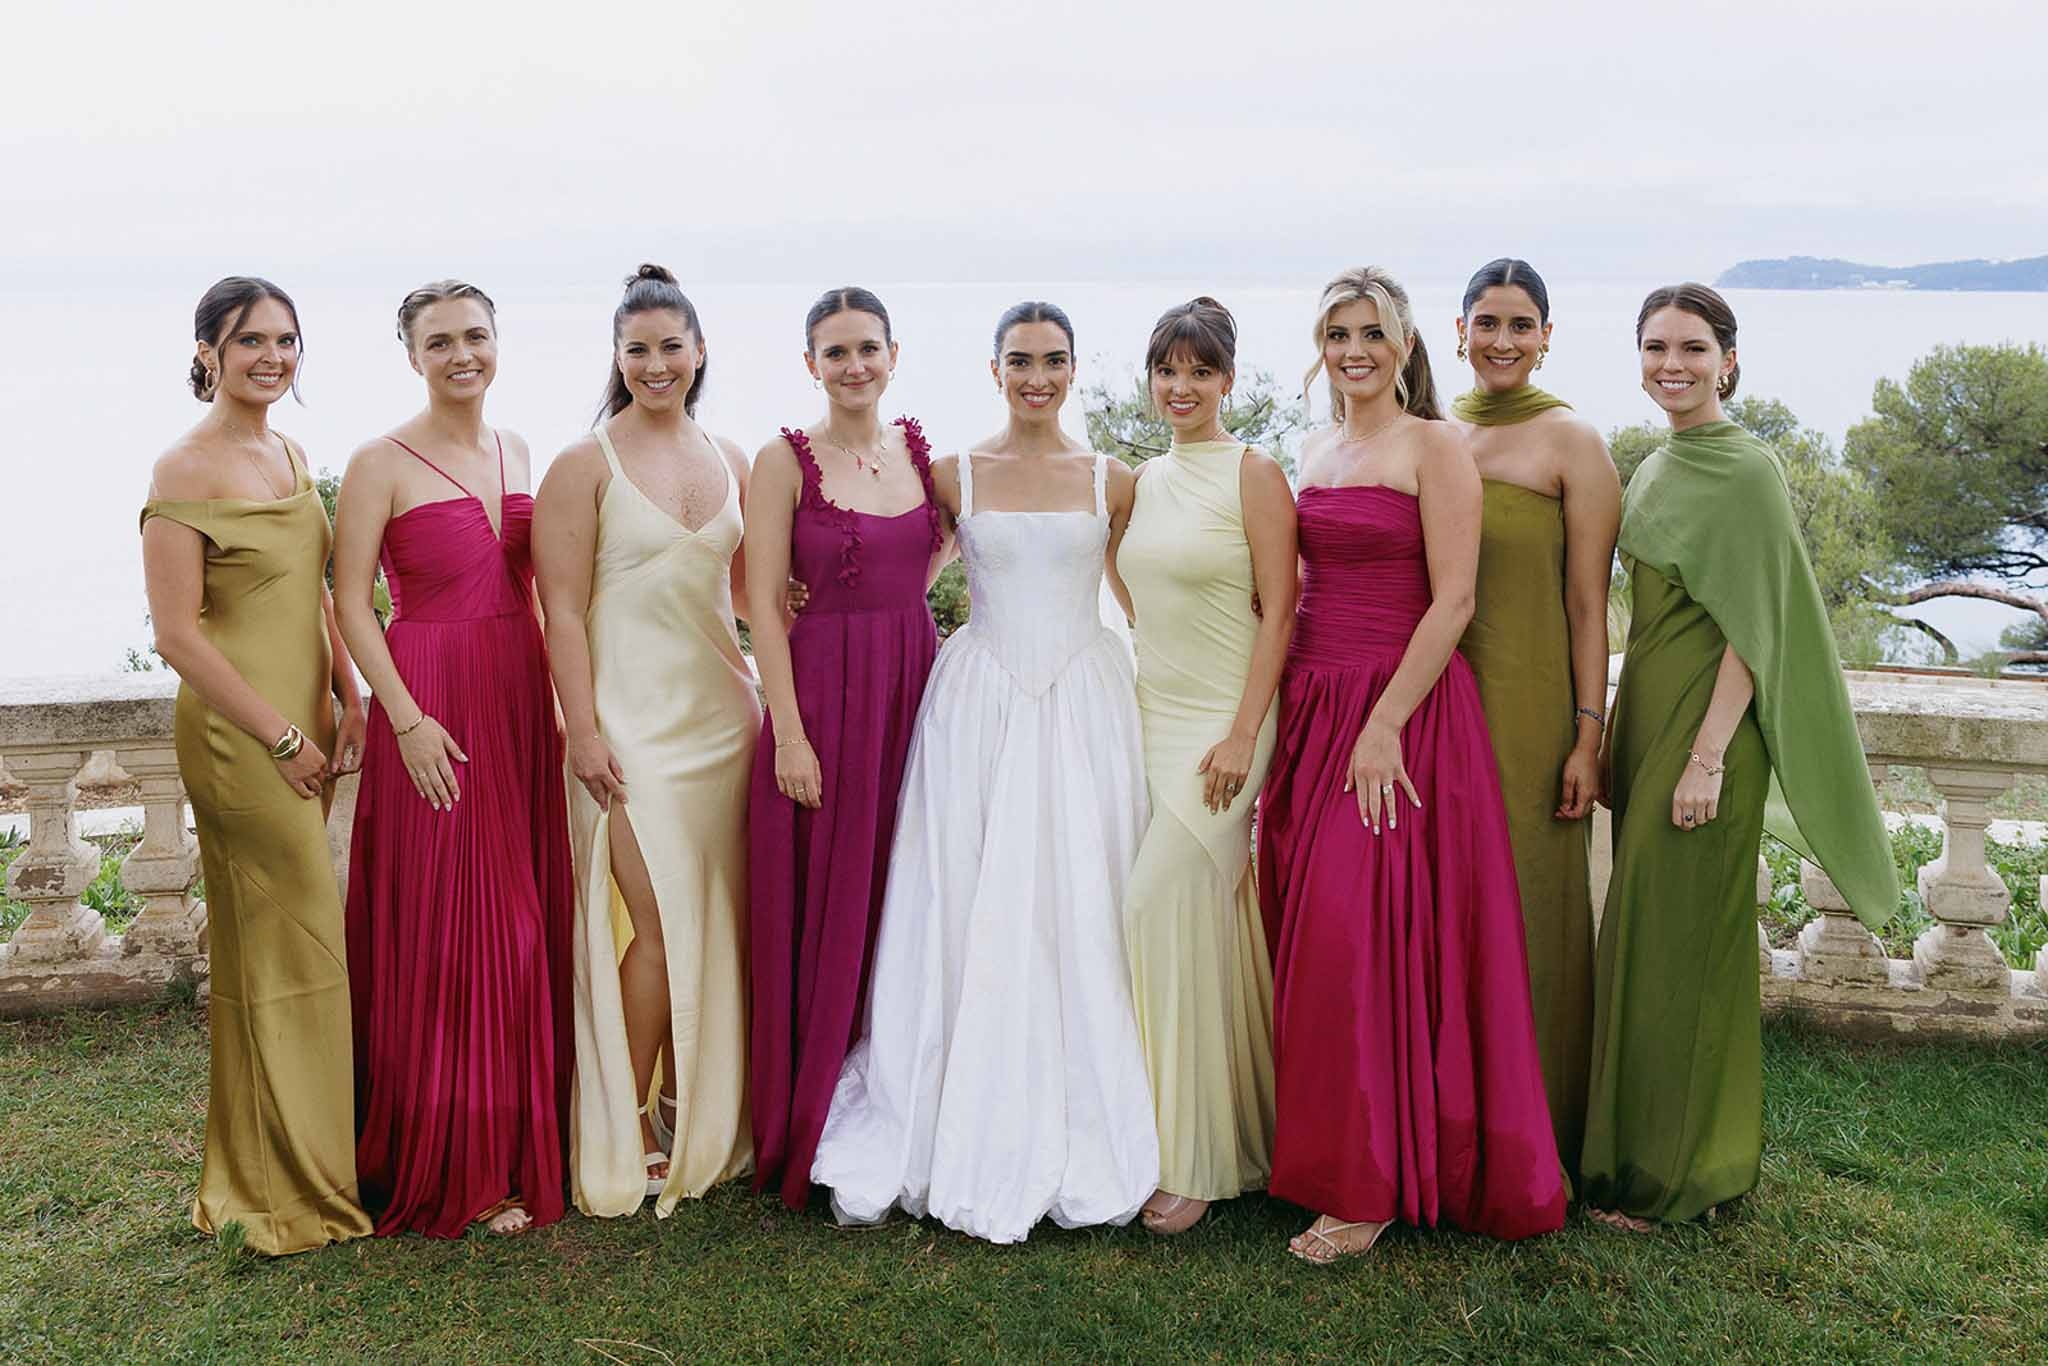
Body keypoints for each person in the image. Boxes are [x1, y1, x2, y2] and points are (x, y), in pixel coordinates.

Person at [811, 301, 1157, 1242]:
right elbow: (894, 571)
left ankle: (1094, 1099)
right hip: (980, 701)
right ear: (993, 368)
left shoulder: (1113, 481)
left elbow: (1138, 591)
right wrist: (812, 597)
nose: (1035, 376)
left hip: (1085, 697)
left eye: (1052, 361)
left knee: (1083, 892)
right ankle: (947, 1095)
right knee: (967, 896)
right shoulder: (950, 476)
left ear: (1077, 368)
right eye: (1018, 361)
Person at [1258, 266, 1566, 1263]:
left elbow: (1454, 600)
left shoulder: (1432, 445)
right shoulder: (1315, 447)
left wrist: (1384, 722)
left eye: (1370, 333)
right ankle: (1324, 1148)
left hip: (1398, 714)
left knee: (1362, 938)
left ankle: (1370, 1185)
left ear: (1403, 344)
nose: (1353, 349)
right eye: (1336, 333)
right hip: (1311, 706)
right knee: (1307, 939)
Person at [1582, 284, 1897, 1230]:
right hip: (1652, 716)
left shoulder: (1749, 471)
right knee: (1647, 944)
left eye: (1690, 347)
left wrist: (1707, 756)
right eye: (1653, 348)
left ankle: (1675, 1177)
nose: (1669, 364)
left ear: (1728, 358)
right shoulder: (1657, 464)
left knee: (1683, 956)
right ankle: (1654, 1153)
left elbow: (1757, 633)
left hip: (1705, 736)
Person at [140, 276, 374, 1255]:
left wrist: (352, 690)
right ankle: (300, 1187)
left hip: (309, 724)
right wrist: (281, 736)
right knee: (300, 945)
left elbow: (318, 586)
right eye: (250, 342)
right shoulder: (182, 467)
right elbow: (178, 635)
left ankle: (266, 1166)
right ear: (207, 353)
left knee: (272, 954)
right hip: (244, 742)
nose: (272, 356)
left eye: (286, 339)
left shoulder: (289, 450)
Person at [334, 279, 572, 1237]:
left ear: (496, 342)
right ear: (412, 355)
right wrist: (405, 719)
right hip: (434, 706)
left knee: (520, 918)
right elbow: (353, 602)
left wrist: (558, 698)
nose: (461, 353)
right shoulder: (377, 461)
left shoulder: (517, 448)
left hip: (517, 692)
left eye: (476, 335)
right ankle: (459, 1162)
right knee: (460, 930)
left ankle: (519, 1141)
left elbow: (546, 583)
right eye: (440, 341)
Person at [534, 265, 757, 1216]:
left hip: (726, 719)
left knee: (721, 922)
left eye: (672, 346)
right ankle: (624, 1118)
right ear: (617, 360)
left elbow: (749, 599)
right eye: (638, 350)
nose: (656, 363)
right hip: (631, 730)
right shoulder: (583, 464)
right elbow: (562, 611)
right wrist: (583, 727)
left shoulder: (734, 454)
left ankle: (684, 1105)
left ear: (700, 351)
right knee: (658, 928)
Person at [745, 287, 943, 1210]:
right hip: (822, 694)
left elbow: (950, 546)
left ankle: (897, 1094)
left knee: (902, 887)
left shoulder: (922, 453)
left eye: (869, 348)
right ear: (811, 364)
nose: (854, 365)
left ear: (894, 354)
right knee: (827, 893)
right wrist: (788, 732)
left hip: (913, 689)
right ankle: (810, 1112)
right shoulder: (782, 462)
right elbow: (758, 606)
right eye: (836, 352)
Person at [1115, 297, 1298, 1235]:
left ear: (1229, 380)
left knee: (1153, 911)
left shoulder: (1255, 473)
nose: (1180, 388)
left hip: (1226, 727)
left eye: (1199, 372)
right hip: (1150, 717)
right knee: (1206, 934)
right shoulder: (1141, 479)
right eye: (1166, 372)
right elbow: (1119, 576)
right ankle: (1255, 1129)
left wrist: (1241, 734)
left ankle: (1193, 1162)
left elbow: (1282, 612)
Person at [1448, 257, 1620, 1189]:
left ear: (1548, 334)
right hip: (1438, 704)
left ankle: (1541, 1131)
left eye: (1521, 324)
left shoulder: (1573, 444)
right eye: (1487, 322)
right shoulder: (1432, 431)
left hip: (1529, 712)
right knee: (1449, 912)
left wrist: (1586, 736)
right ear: (1459, 330)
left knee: (1527, 913)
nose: (1503, 340)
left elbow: (1590, 606)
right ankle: (1451, 1124)